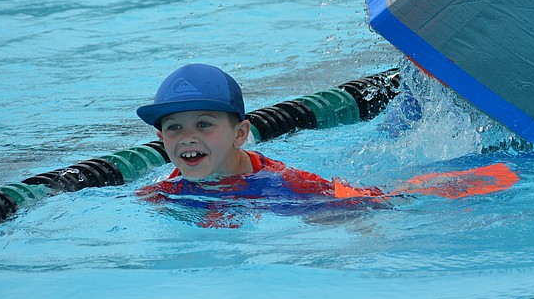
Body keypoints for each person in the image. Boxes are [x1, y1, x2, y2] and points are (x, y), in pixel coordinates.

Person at [135, 63, 383, 201]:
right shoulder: (162, 194)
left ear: (241, 134)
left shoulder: (281, 183)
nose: (187, 137)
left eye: (204, 124)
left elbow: (363, 203)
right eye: (174, 128)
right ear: (161, 138)